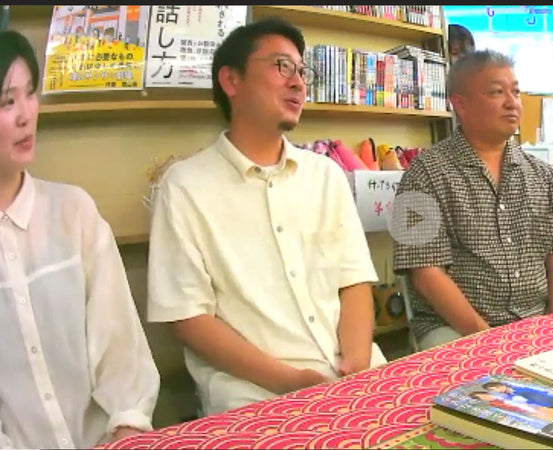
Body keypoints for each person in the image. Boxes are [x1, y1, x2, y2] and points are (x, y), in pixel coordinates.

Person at [147, 18, 386, 417]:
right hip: (253, 395)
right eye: (281, 66)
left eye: (301, 71)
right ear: (231, 80)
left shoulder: (325, 174)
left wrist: (356, 365)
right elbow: (187, 317)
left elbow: (354, 281)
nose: (297, 83)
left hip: (355, 378)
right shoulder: (185, 186)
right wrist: (289, 382)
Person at [0, 30, 159, 448]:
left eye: (30, 94)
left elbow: (121, 350)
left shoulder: (74, 212)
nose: (25, 115)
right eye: (6, 102)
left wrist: (126, 428)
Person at [393, 50, 553, 351]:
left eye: (516, 92)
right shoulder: (422, 173)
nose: (512, 102)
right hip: (454, 328)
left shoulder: (543, 176)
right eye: (497, 92)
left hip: (536, 325)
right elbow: (425, 273)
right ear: (461, 104)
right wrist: (486, 337)